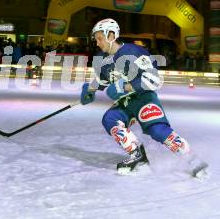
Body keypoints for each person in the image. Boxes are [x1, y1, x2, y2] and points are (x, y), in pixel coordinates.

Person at [80, 18, 207, 176]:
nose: (97, 43)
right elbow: (104, 80)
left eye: (99, 38)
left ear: (111, 35)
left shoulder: (134, 52)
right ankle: (137, 156)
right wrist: (89, 89)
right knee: (110, 119)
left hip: (144, 98)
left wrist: (124, 87)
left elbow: (154, 79)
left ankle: (193, 159)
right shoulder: (103, 59)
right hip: (126, 103)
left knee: (158, 130)